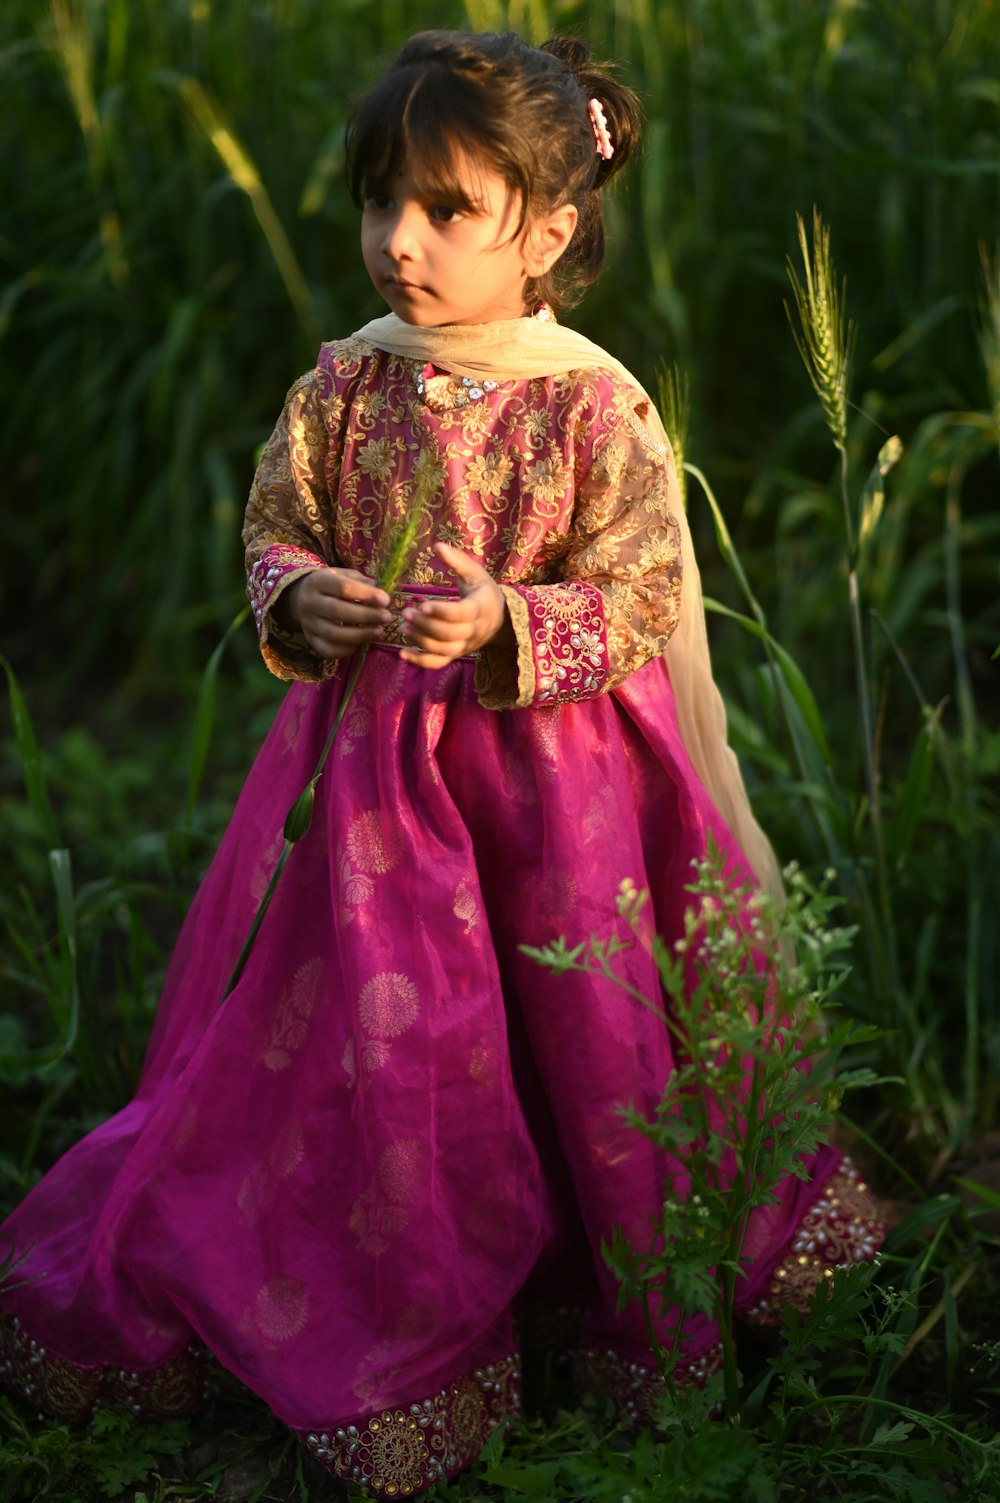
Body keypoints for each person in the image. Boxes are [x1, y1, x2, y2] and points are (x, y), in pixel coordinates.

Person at [0, 30, 885, 1498]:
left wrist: (510, 619)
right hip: (381, 800)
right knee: (395, 1032)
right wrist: (300, 591)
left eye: (444, 208)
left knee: (578, 1024)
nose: (397, 242)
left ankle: (604, 1302)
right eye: (377, 203)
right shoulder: (347, 385)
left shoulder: (591, 401)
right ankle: (404, 1289)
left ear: (546, 229)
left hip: (558, 794)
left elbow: (642, 590)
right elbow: (278, 518)